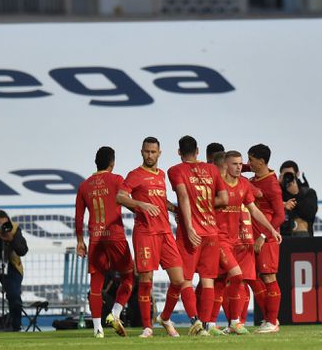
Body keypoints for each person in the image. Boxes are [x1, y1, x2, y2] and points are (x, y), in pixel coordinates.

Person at [117, 137, 194, 338]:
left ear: (159, 153)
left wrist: (173, 208)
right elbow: (120, 197)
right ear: (141, 152)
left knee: (179, 280)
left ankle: (165, 318)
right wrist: (140, 205)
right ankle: (147, 328)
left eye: (153, 152)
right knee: (146, 279)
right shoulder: (135, 175)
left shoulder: (161, 174)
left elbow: (159, 200)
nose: (150, 155)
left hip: (165, 233)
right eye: (146, 151)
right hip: (145, 233)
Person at [163, 135, 231, 336]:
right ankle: (206, 325)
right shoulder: (211, 169)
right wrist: (205, 207)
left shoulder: (175, 170)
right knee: (208, 280)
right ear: (198, 151)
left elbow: (183, 196)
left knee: (185, 279)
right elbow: (224, 198)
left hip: (190, 234)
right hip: (212, 231)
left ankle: (196, 322)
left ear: (178, 152)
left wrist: (190, 225)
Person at [216, 150, 282, 333]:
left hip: (249, 239)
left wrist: (269, 231)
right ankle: (217, 323)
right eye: (235, 164)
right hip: (223, 239)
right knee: (224, 281)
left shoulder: (248, 184)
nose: (241, 167)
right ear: (226, 165)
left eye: (242, 163)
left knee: (247, 278)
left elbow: (258, 209)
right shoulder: (218, 183)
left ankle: (267, 320)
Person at [74, 146, 136, 338]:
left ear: (96, 163)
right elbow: (129, 201)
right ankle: (114, 314)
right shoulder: (117, 180)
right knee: (128, 277)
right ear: (112, 163)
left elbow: (78, 217)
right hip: (116, 236)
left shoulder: (84, 186)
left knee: (96, 284)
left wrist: (80, 241)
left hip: (96, 239)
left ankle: (97, 329)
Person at [247, 143, 285, 333]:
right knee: (251, 277)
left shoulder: (272, 185)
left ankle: (271, 321)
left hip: (267, 239)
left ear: (261, 162)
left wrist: (263, 235)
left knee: (269, 277)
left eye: (251, 160)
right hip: (252, 238)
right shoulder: (255, 178)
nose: (248, 164)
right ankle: (271, 318)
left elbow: (280, 216)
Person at [279, 160, 318, 237]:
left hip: (303, 238)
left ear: (297, 174)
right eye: (285, 175)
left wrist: (296, 194)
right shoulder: (278, 193)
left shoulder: (308, 192)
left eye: (290, 174)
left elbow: (309, 215)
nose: (288, 177)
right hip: (282, 237)